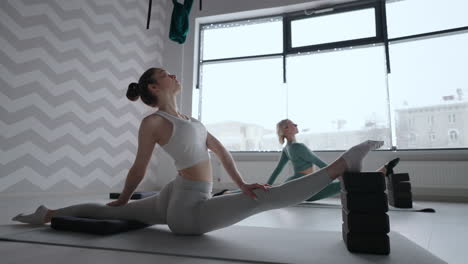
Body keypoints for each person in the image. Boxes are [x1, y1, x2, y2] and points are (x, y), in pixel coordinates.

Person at [12, 67, 384, 235]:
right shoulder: (154, 123)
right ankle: (342, 165)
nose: (174, 75)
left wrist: (239, 184)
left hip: (178, 192)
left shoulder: (191, 119)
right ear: (155, 89)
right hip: (186, 211)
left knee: (257, 195)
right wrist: (124, 199)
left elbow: (221, 152)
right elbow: (138, 168)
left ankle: (48, 213)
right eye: (166, 75)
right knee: (268, 200)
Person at [214, 119, 400, 201]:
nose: (296, 125)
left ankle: (380, 173)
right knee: (345, 183)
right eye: (292, 124)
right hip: (305, 184)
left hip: (301, 184)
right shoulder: (297, 147)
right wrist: (337, 175)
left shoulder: (287, 148)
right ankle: (366, 168)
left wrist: (268, 186)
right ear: (286, 130)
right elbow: (320, 164)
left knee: (347, 183)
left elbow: (277, 172)